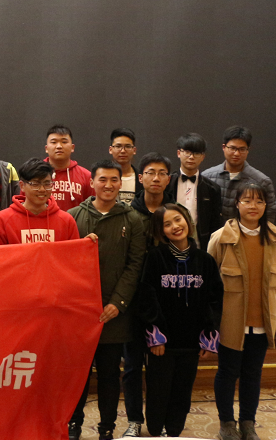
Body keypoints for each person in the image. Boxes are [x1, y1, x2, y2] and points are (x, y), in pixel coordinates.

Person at [67, 160, 147, 440]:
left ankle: (107, 428)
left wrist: (118, 303)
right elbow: (65, 263)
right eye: (103, 179)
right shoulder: (73, 216)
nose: (109, 185)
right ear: (92, 182)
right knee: (77, 375)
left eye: (114, 180)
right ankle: (73, 424)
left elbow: (135, 265)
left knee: (110, 374)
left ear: (121, 184)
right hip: (79, 312)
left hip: (113, 313)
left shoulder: (132, 219)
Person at [136, 204, 222, 438]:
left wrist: (209, 336)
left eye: (178, 219)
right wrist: (155, 335)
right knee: (158, 390)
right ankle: (156, 432)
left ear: (187, 220)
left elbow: (215, 300)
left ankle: (174, 432)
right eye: (167, 224)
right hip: (162, 343)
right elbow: (147, 297)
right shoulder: (155, 258)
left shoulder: (205, 260)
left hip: (191, 342)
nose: (175, 226)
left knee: (182, 391)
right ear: (160, 231)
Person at [208, 184, 276, 440]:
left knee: (253, 374)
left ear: (265, 206)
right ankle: (227, 423)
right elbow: (210, 283)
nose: (253, 206)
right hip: (231, 322)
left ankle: (248, 422)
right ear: (237, 204)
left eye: (259, 201)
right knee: (227, 373)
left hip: (262, 321)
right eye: (248, 200)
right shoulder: (221, 237)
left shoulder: (275, 238)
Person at [121, 152, 181, 437]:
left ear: (168, 179)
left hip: (166, 303)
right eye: (150, 173)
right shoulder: (128, 213)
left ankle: (160, 422)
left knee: (161, 367)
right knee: (132, 365)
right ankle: (134, 420)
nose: (156, 178)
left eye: (162, 173)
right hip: (133, 301)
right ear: (140, 177)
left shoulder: (175, 214)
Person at [0, 159, 81, 246]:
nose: (42, 189)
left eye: (47, 184)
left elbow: (75, 255)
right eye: (35, 184)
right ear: (22, 186)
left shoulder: (66, 221)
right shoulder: (3, 220)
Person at [202, 125, 276, 222]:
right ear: (224, 147)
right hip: (214, 232)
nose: (237, 153)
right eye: (232, 148)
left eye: (242, 149)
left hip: (247, 231)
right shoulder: (207, 177)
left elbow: (270, 214)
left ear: (248, 150)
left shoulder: (262, 181)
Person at [168, 133, 223, 245]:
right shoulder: (167, 183)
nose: (191, 157)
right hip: (169, 243)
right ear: (179, 153)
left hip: (200, 245)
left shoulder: (212, 189)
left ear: (203, 157)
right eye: (187, 152)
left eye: (196, 153)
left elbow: (215, 223)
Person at [44, 124, 93, 211]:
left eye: (64, 142)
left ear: (72, 147)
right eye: (54, 142)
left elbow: (93, 209)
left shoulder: (86, 176)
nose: (59, 146)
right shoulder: (33, 175)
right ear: (46, 148)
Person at [109, 128, 142, 205]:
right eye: (118, 146)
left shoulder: (142, 179)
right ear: (110, 149)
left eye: (128, 146)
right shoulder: (101, 178)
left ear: (134, 150)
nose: (123, 151)